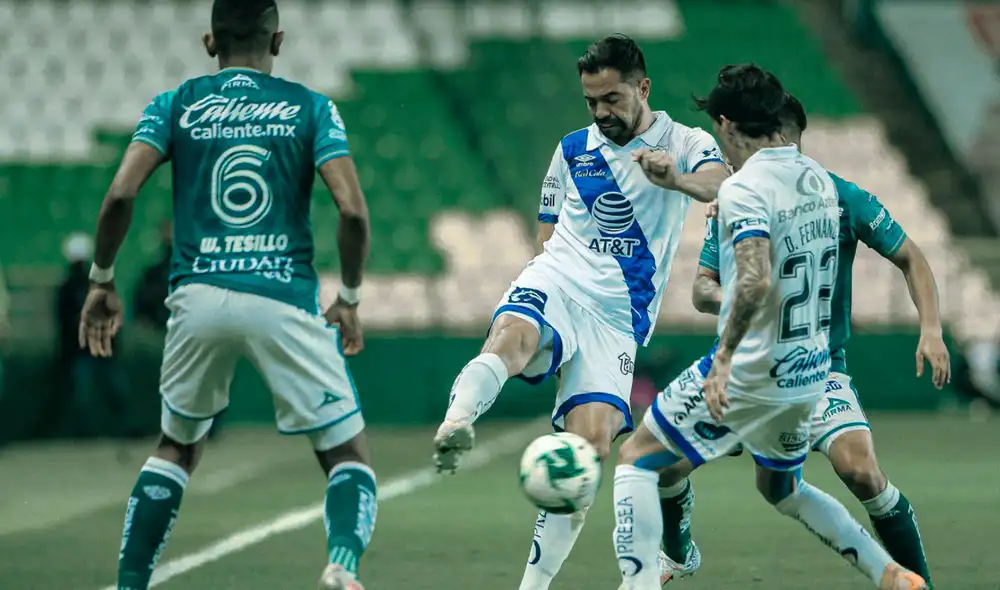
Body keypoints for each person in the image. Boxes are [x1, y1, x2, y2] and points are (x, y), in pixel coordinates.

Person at [77, 2, 374, 589]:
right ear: (278, 41)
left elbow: (120, 195)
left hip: (197, 297)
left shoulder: (174, 104)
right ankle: (342, 565)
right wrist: (349, 296)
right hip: (282, 296)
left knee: (176, 447)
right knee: (346, 455)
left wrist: (102, 278)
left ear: (210, 42)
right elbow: (352, 212)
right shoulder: (312, 107)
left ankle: (131, 583)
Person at [611, 64, 928, 590]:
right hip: (808, 373)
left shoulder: (743, 189)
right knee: (781, 489)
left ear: (728, 125)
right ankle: (888, 572)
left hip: (753, 367)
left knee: (635, 461)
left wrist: (724, 361)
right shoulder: (819, 181)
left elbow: (756, 280)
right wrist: (683, 183)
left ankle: (636, 583)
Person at [432, 34, 729, 590]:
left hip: (617, 319)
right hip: (560, 277)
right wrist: (545, 285)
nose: (601, 112)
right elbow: (547, 229)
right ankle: (458, 420)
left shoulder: (684, 142)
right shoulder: (573, 149)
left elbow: (722, 183)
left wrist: (675, 178)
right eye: (591, 101)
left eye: (612, 98)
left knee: (586, 453)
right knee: (513, 335)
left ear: (643, 88)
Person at [679, 93, 947, 587]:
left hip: (817, 368)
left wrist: (931, 329)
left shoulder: (838, 196)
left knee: (860, 471)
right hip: (749, 363)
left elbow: (910, 256)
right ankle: (675, 553)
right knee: (664, 463)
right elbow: (701, 289)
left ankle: (917, 584)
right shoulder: (738, 199)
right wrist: (743, 297)